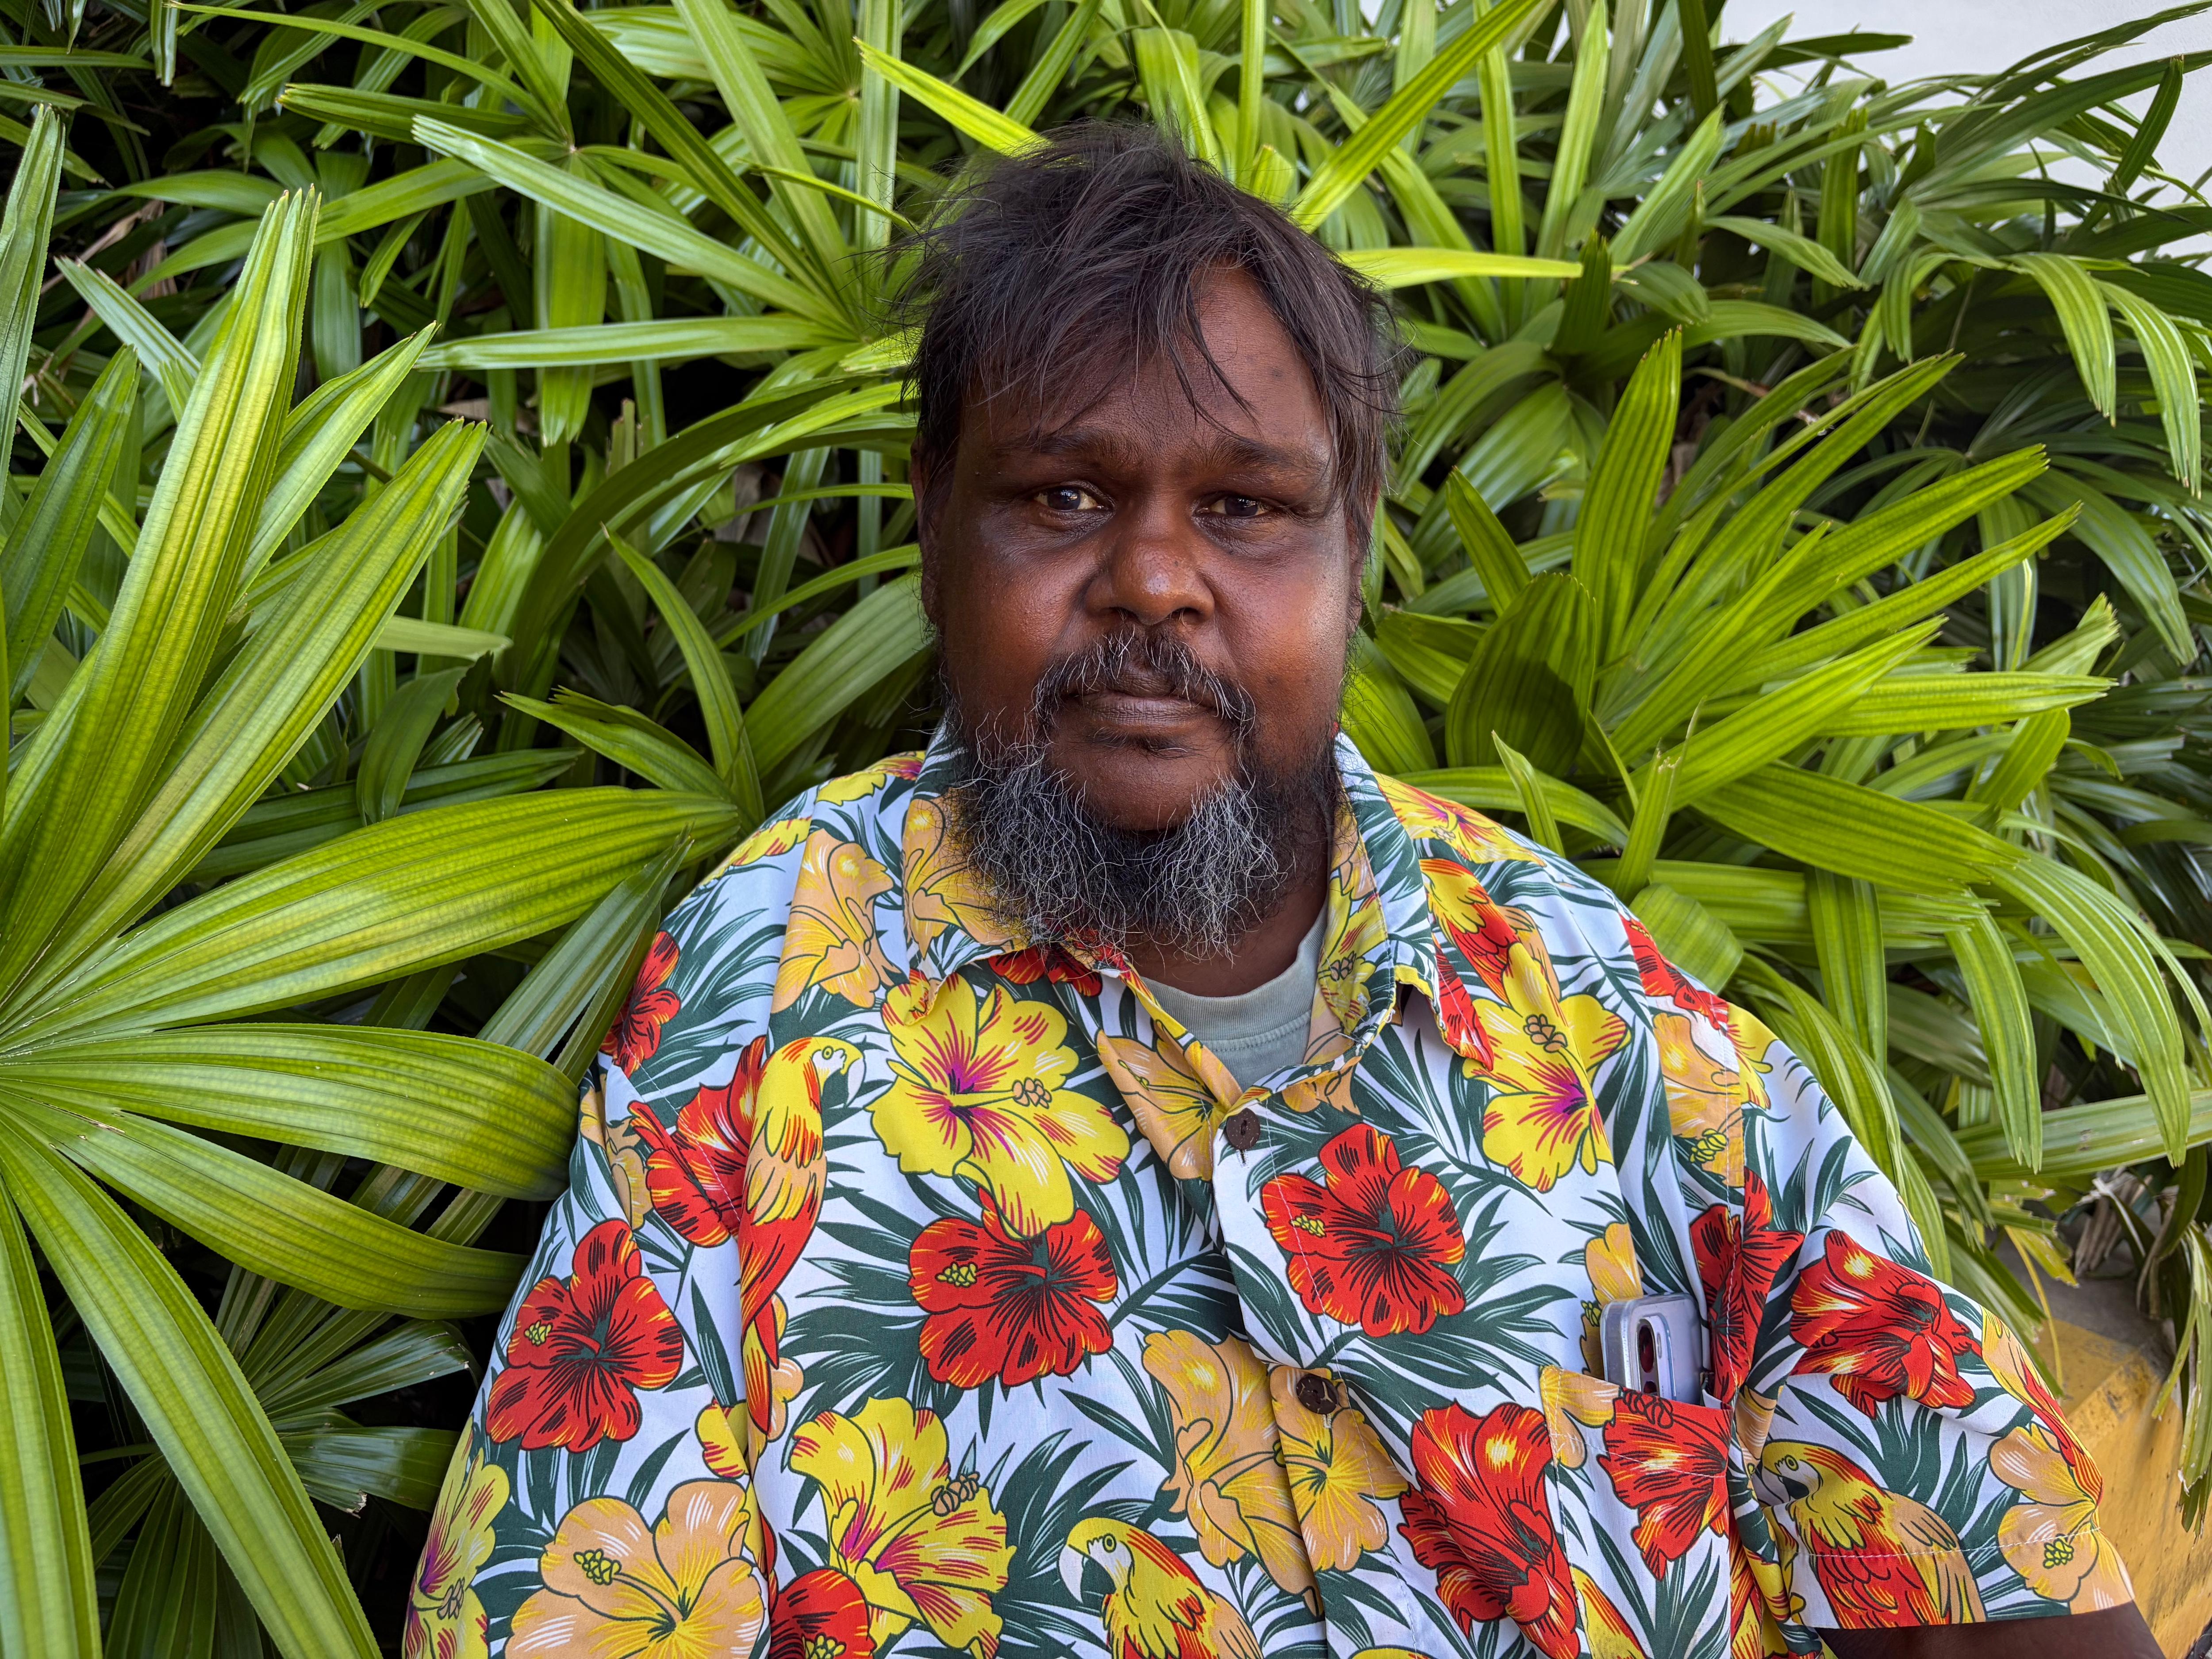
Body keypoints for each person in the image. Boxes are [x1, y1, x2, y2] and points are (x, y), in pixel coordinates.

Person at [409, 123, 2157, 1659]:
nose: (1155, 579)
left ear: (1352, 545)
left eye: (1246, 509)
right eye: (1062, 493)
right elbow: (580, 1581)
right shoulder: (765, 984)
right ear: (936, 523)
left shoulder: (1588, 990)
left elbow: (1979, 1532)